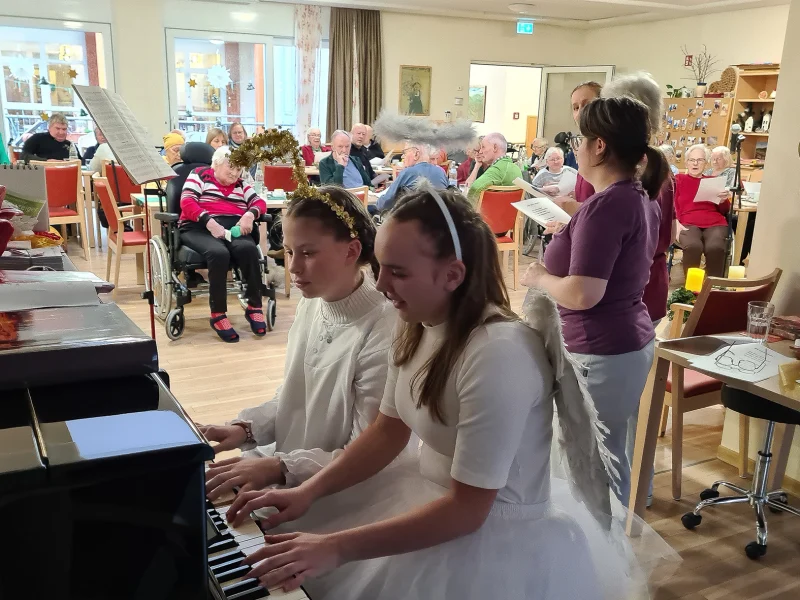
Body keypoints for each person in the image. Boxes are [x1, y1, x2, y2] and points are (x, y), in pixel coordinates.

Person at [224, 187, 662, 600]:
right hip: (426, 496)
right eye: (381, 268)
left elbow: (468, 510)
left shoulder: (497, 353)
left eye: (397, 272)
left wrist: (335, 547)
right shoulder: (416, 324)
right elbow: (385, 432)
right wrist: (309, 491)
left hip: (489, 537)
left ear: (452, 274)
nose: (380, 286)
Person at [522, 96, 669, 507]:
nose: (575, 148)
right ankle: (611, 547)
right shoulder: (637, 194)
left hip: (600, 349)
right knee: (609, 454)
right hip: (627, 342)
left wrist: (540, 276)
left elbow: (584, 294)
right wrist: (576, 220)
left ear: (600, 146)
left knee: (587, 465)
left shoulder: (608, 205)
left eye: (580, 139)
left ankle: (597, 555)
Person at [201, 186, 396, 496]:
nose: (292, 267)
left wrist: (280, 469)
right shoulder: (313, 302)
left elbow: (365, 451)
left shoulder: (383, 327)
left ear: (351, 251)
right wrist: (245, 429)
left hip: (342, 485)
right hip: (297, 462)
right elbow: (296, 396)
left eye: (308, 253)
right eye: (290, 251)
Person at [178, 146, 267, 342]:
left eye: (239, 169)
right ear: (216, 163)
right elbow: (187, 202)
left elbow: (259, 203)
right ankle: (218, 314)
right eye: (231, 167)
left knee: (248, 248)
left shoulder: (241, 184)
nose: (235, 173)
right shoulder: (199, 175)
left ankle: (254, 306)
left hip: (232, 227)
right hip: (198, 226)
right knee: (218, 253)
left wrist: (249, 215)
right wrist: (209, 222)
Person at [675, 144, 730, 278]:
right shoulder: (678, 180)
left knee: (715, 247)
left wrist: (723, 201)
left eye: (700, 160)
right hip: (687, 222)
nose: (695, 163)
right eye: (692, 160)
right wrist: (674, 222)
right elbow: (671, 204)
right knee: (693, 246)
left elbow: (724, 210)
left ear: (706, 163)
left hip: (715, 222)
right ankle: (692, 289)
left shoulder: (713, 181)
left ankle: (714, 287)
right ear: (686, 162)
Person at [376, 142, 448, 212]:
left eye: (405, 153)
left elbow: (385, 204)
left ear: (416, 154)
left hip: (411, 220)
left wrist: (378, 202)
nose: (402, 156)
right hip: (438, 220)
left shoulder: (407, 172)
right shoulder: (441, 172)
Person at [465, 132, 521, 205]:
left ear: (495, 148)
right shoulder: (514, 167)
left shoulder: (498, 169)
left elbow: (475, 188)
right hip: (511, 214)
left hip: (492, 215)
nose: (481, 151)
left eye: (483, 147)